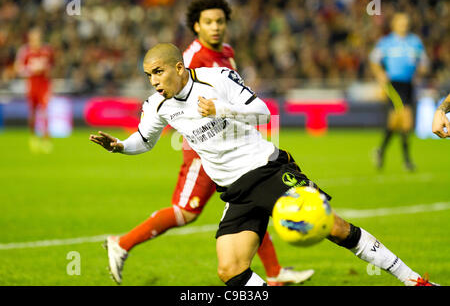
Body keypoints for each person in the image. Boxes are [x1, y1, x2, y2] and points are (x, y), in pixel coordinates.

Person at [90, 43, 437, 286]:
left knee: (334, 227)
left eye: (158, 72)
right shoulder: (157, 106)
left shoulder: (217, 80)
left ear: (179, 68)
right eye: (149, 75)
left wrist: (221, 109)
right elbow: (144, 141)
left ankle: (413, 279)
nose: (153, 81)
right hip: (235, 191)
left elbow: (263, 112)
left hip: (266, 170)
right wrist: (120, 147)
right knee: (230, 269)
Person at [97, 0, 313, 286]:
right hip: (202, 153)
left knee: (251, 199)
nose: (216, 27)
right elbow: (175, 107)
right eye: (208, 22)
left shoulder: (225, 51)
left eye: (220, 21)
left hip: (232, 147)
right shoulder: (188, 60)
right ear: (196, 26)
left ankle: (274, 272)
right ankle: (122, 243)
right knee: (185, 212)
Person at [370, 13, 428, 171]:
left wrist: (420, 71)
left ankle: (381, 150)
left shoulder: (415, 42)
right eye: (401, 22)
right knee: (405, 119)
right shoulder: (386, 42)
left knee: (397, 122)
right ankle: (407, 161)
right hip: (393, 84)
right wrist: (380, 74)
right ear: (394, 24)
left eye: (406, 22)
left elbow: (424, 63)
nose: (404, 25)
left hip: (408, 85)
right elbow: (374, 60)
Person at [15, 27, 54, 153]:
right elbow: (18, 68)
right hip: (32, 85)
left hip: (44, 85)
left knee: (45, 111)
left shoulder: (47, 51)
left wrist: (47, 70)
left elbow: (52, 66)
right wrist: (31, 70)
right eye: (34, 38)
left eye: (38, 38)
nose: (36, 40)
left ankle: (46, 139)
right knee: (32, 112)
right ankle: (33, 137)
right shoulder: (25, 51)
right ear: (30, 39)